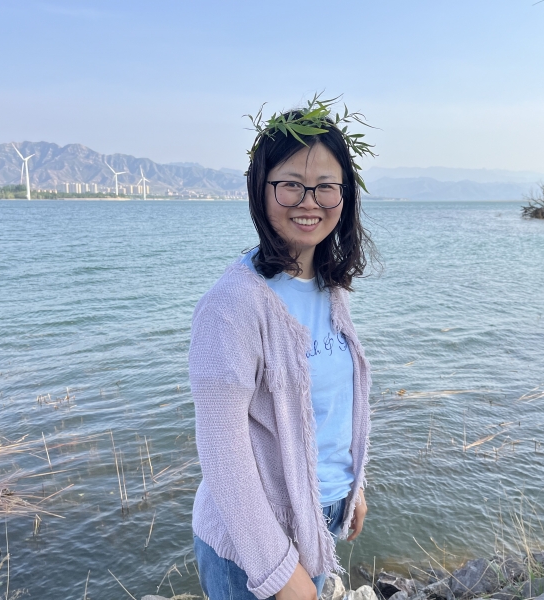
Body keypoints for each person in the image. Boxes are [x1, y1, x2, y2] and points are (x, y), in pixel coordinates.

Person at [189, 97, 377, 600]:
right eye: (291, 184)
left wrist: (353, 487)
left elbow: (334, 409)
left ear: (345, 194)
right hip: (251, 548)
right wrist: (276, 569)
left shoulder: (330, 287)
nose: (308, 201)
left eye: (326, 186)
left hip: (318, 522)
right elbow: (223, 454)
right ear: (261, 189)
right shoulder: (232, 305)